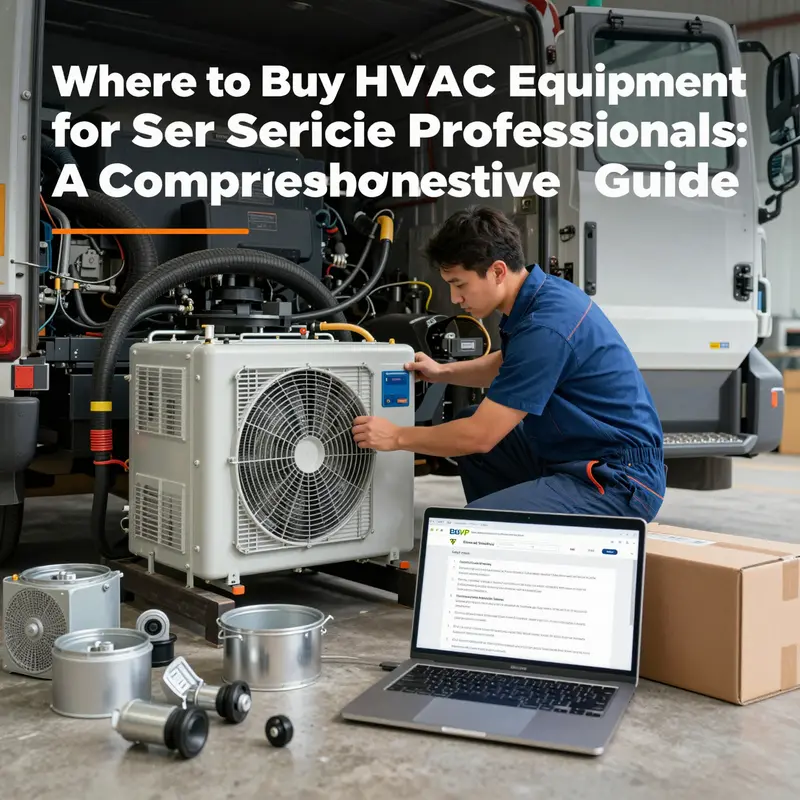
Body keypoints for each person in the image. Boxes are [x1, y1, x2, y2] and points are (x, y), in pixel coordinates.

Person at [351, 206, 667, 522]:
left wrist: (395, 437)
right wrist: (442, 372)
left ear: (498, 271)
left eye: (460, 284)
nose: (455, 297)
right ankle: (517, 532)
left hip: (619, 478)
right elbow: (509, 361)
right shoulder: (540, 296)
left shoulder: (546, 325)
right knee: (474, 424)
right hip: (575, 452)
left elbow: (479, 436)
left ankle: (505, 532)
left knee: (476, 522)